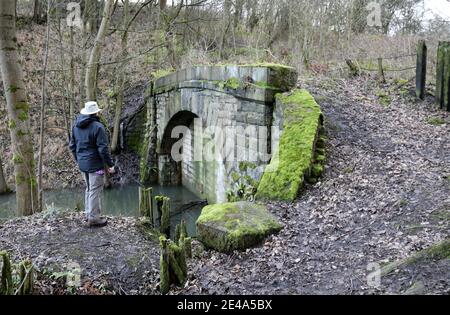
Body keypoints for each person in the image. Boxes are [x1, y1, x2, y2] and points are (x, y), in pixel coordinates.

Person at [69, 101, 115, 227]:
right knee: (95, 190)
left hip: (83, 164)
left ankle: (89, 214)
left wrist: (78, 160)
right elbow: (103, 149)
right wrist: (110, 165)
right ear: (95, 112)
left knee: (89, 189)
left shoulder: (75, 126)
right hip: (95, 165)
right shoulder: (98, 127)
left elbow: (72, 146)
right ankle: (94, 218)